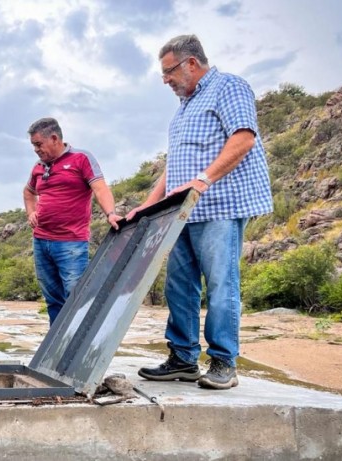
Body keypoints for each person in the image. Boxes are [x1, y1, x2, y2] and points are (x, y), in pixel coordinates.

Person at [131, 35, 272, 390]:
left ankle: (224, 361)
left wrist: (203, 180)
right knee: (179, 286)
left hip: (219, 206)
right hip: (181, 214)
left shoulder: (229, 86)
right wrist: (146, 206)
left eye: (169, 72)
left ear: (191, 63)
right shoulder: (184, 107)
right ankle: (183, 358)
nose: (165, 80)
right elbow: (174, 165)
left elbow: (243, 137)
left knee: (222, 284)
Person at [23, 117, 121, 325]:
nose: (36, 150)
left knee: (76, 299)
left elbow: (100, 188)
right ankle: (55, 350)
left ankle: (77, 349)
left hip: (71, 244)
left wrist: (111, 213)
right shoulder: (39, 167)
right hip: (41, 242)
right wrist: (30, 212)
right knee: (53, 300)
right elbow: (29, 192)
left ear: (54, 138)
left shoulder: (81, 158)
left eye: (38, 144)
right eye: (33, 145)